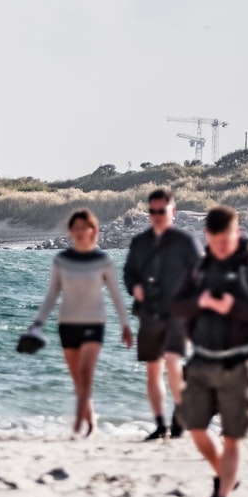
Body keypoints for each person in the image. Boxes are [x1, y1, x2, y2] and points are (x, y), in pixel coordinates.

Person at [171, 205, 248, 497]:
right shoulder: (199, 268)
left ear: (237, 233)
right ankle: (227, 476)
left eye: (227, 238)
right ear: (208, 236)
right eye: (215, 238)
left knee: (232, 436)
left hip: (240, 362)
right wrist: (200, 302)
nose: (221, 244)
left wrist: (234, 307)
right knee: (195, 428)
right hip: (203, 359)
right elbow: (177, 305)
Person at [17, 209, 134, 436]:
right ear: (71, 232)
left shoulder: (103, 260)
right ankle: (92, 422)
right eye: (76, 228)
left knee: (86, 375)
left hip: (94, 323)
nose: (80, 232)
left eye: (85, 227)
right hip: (67, 324)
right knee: (78, 380)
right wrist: (37, 324)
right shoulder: (62, 260)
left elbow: (116, 295)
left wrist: (125, 325)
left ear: (94, 231)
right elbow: (51, 295)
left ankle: (78, 427)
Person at [123, 188, 202, 440]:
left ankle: (180, 418)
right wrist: (134, 287)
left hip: (178, 315)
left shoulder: (185, 242)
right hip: (148, 314)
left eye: (162, 211)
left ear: (173, 212)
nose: (156, 215)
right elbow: (129, 273)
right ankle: (160, 424)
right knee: (153, 370)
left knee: (172, 362)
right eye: (152, 211)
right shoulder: (140, 242)